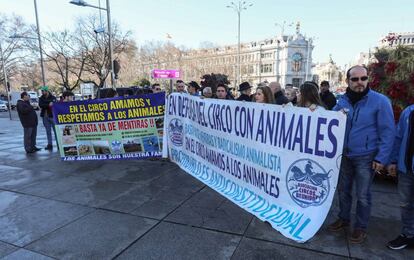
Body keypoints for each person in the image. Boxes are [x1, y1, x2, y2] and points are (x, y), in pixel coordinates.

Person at [328, 65, 395, 243]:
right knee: (343, 191)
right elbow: (330, 120)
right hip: (345, 155)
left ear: (368, 79)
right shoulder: (342, 101)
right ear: (347, 81)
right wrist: (312, 111)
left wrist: (382, 158)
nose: (360, 82)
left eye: (363, 78)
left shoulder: (380, 101)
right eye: (355, 79)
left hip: (366, 157)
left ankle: (360, 227)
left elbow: (388, 132)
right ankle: (344, 218)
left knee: (363, 194)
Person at [386, 104, 414, 250]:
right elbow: (398, 137)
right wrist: (393, 161)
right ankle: (408, 235)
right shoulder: (408, 112)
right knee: (405, 205)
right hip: (406, 169)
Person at [39, 86, 57, 150]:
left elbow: (54, 104)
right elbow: (41, 105)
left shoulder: (53, 97)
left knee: (56, 131)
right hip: (44, 116)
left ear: (47, 91)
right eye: (42, 91)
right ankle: (50, 144)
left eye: (43, 91)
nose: (42, 92)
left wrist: (46, 104)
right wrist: (48, 104)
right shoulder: (41, 98)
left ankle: (58, 144)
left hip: (52, 116)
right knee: (48, 131)